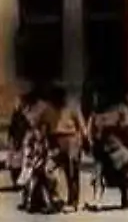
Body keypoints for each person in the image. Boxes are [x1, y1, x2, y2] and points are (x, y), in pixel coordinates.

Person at [87, 88, 128, 211]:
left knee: (123, 173)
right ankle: (97, 199)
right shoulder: (95, 113)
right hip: (100, 147)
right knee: (97, 174)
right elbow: (90, 129)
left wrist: (114, 127)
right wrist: (91, 141)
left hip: (117, 147)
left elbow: (127, 128)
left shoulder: (121, 109)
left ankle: (125, 198)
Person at [42, 84, 87, 212]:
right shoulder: (48, 109)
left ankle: (73, 202)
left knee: (72, 172)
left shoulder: (72, 106)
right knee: (48, 169)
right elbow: (43, 126)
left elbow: (81, 126)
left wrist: (84, 141)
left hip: (72, 139)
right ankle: (55, 198)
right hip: (55, 141)